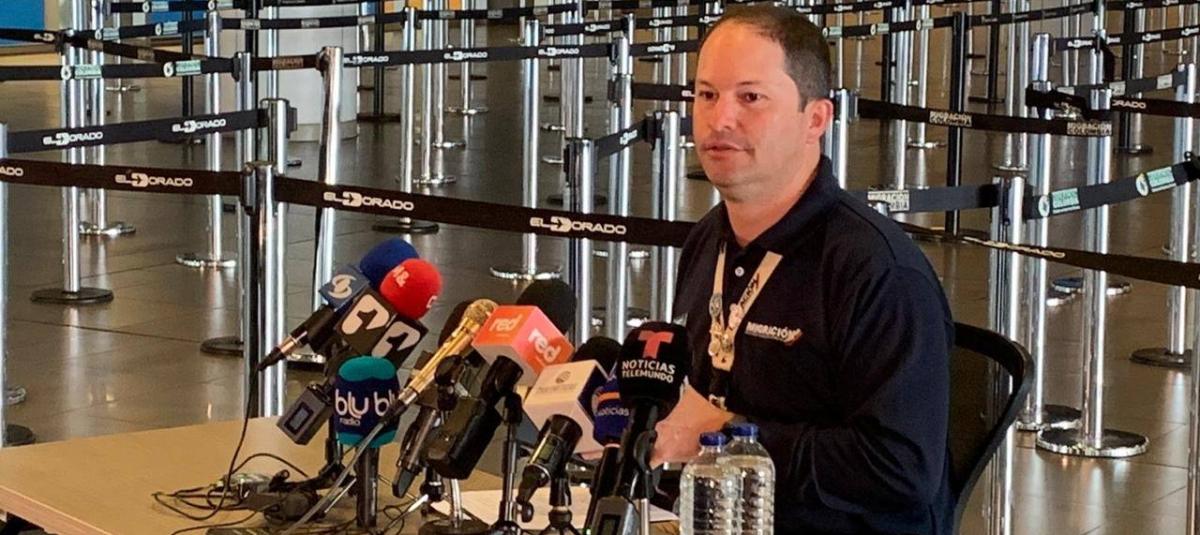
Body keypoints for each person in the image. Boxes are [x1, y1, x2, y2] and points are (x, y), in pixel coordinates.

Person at [659, 5, 955, 534]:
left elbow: (901, 468)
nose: (720, 119)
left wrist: (730, 436)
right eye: (706, 95)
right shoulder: (709, 240)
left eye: (750, 98)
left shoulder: (877, 271)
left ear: (815, 119)